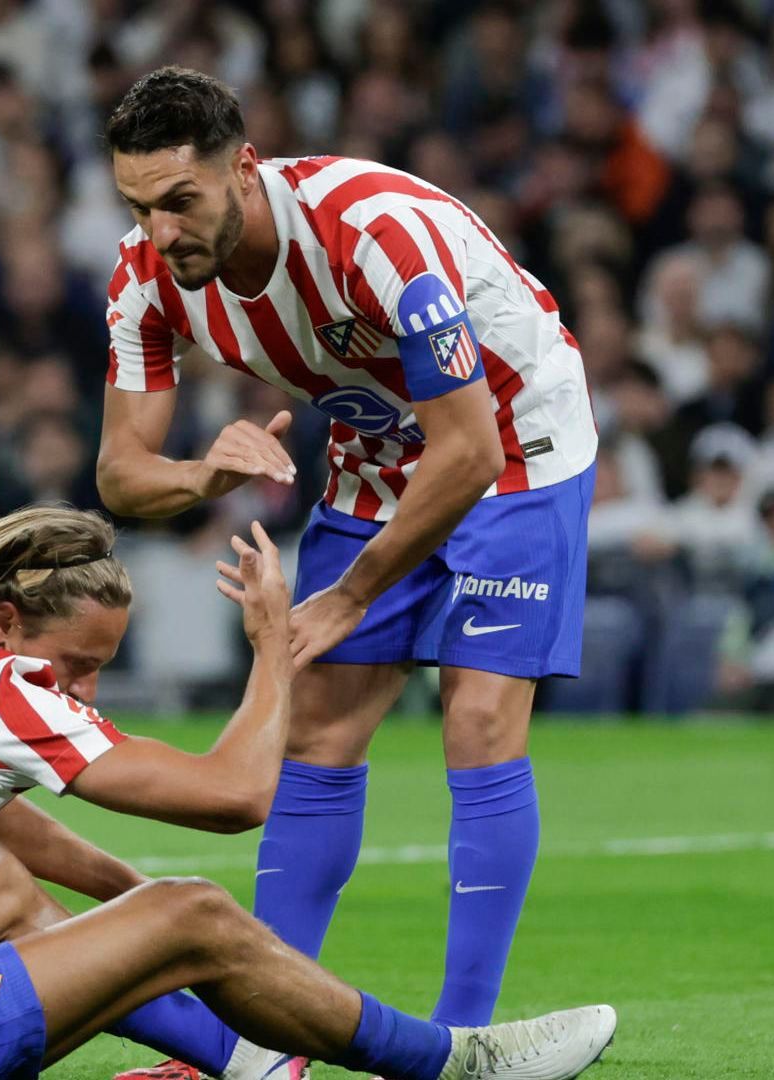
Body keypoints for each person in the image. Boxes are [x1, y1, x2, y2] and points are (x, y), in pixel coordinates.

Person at [0, 505, 617, 1080]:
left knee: (2, 880)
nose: (80, 689)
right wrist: (271, 653)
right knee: (198, 910)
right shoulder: (7, 693)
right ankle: (450, 1061)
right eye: (78, 664)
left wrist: (126, 919)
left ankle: (254, 1062)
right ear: (5, 620)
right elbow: (237, 796)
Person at [93, 67, 600, 1071]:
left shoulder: (371, 235)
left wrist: (355, 593)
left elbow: (469, 452)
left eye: (180, 201)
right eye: (139, 206)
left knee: (481, 714)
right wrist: (202, 472)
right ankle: (264, 1050)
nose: (160, 232)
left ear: (244, 168)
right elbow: (120, 474)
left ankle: (464, 1044)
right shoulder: (144, 278)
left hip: (515, 437)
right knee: (317, 726)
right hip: (377, 452)